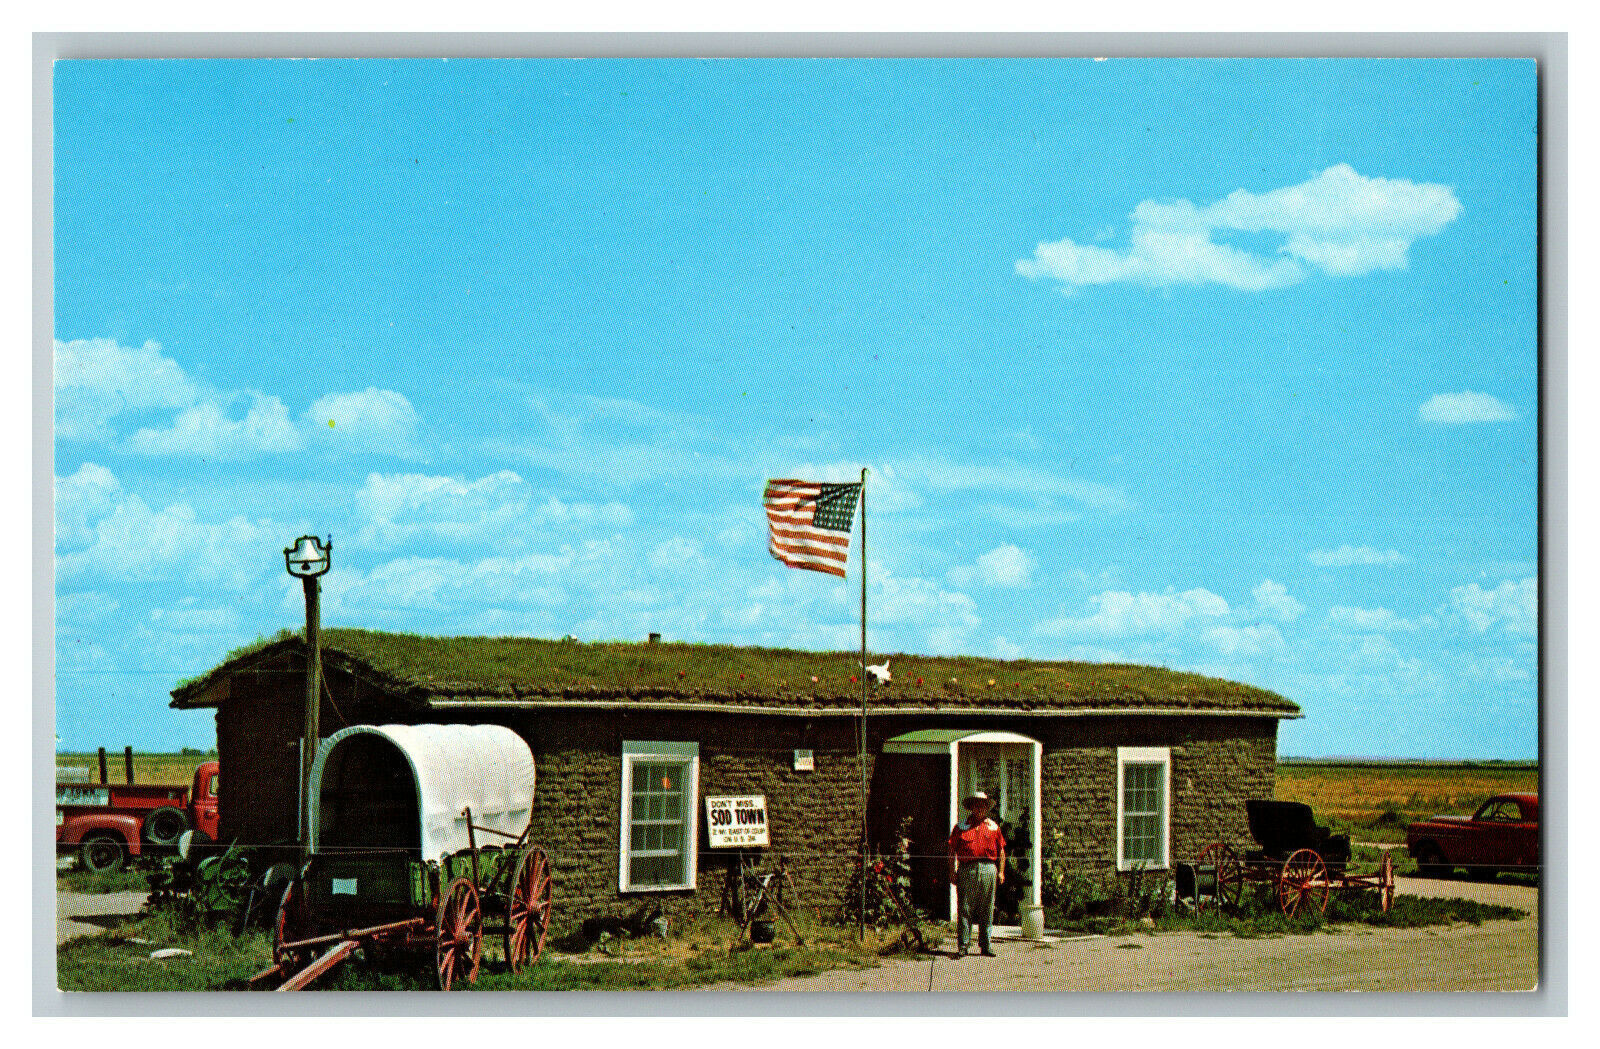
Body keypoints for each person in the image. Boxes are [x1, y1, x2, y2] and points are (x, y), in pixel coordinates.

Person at [947, 790, 1005, 957]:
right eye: (976, 805)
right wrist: (952, 871)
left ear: (986, 808)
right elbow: (952, 851)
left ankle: (986, 945)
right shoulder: (961, 827)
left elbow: (1001, 851)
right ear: (971, 807)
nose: (979, 808)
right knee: (965, 908)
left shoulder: (993, 827)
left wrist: (1001, 871)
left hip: (989, 869)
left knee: (987, 908)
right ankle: (963, 945)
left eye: (983, 805)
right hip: (967, 870)